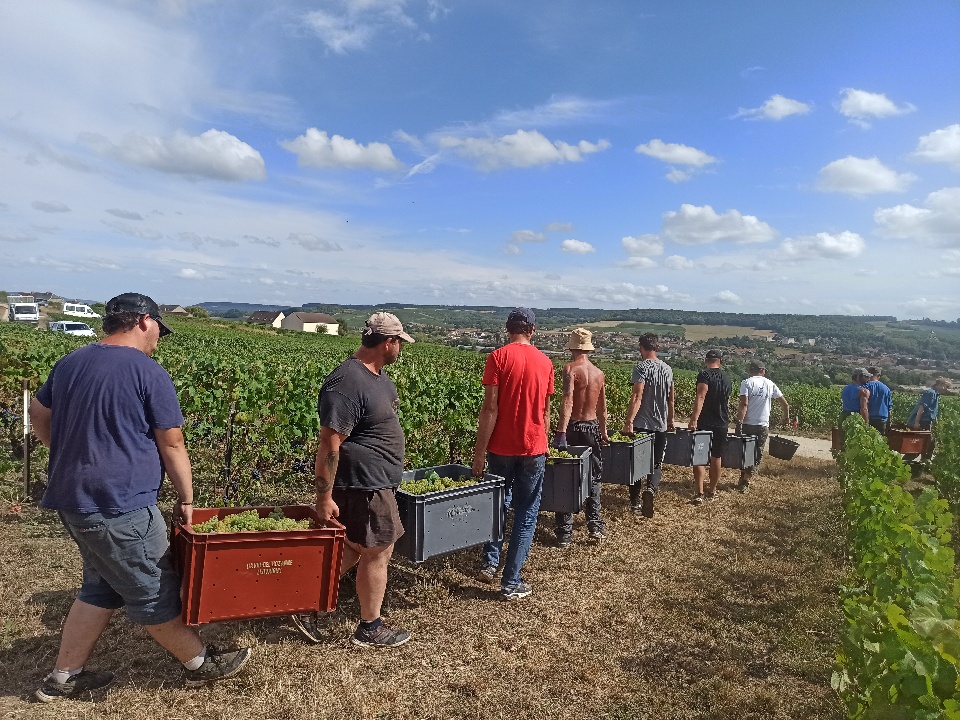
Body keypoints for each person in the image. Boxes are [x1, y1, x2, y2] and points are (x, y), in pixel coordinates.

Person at [28, 293, 251, 702]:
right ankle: (200, 663)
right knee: (151, 589)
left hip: (73, 501)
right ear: (144, 322)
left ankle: (63, 678)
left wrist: (65, 453)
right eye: (159, 332)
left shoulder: (71, 362)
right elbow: (172, 442)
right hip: (120, 504)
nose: (158, 341)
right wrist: (187, 497)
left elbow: (39, 413)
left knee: (100, 587)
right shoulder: (147, 373)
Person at [292, 312, 414, 648]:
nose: (401, 349)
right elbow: (329, 445)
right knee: (378, 549)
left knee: (353, 548)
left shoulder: (378, 377)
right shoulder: (346, 382)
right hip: (363, 483)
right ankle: (370, 628)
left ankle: (301, 600)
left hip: (377, 481)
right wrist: (323, 496)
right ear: (388, 342)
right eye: (399, 343)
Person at [472, 308, 554, 600]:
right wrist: (545, 444)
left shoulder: (497, 358)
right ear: (532, 330)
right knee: (527, 513)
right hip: (534, 447)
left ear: (508, 329)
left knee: (497, 504)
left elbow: (490, 408)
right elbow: (545, 413)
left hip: (499, 447)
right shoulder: (545, 363)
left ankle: (490, 561)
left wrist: (479, 451)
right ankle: (511, 580)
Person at [552, 328, 607, 546]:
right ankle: (594, 526)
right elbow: (602, 409)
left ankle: (565, 533)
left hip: (574, 426)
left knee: (564, 475)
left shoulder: (570, 369)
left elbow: (567, 401)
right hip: (592, 427)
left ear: (573, 347)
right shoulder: (599, 373)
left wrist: (561, 431)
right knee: (593, 476)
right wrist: (603, 431)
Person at [621, 332, 675, 517]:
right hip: (660, 425)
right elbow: (670, 399)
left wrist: (629, 421)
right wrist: (670, 420)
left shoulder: (641, 368)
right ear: (657, 347)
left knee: (636, 465)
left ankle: (635, 504)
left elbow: (637, 395)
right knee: (656, 463)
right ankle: (651, 489)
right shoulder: (668, 369)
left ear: (641, 348)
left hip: (642, 423)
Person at [734, 361, 790, 493]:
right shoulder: (770, 384)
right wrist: (785, 417)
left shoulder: (746, 382)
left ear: (751, 370)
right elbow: (785, 404)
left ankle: (744, 479)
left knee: (746, 451)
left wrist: (739, 422)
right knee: (757, 453)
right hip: (762, 425)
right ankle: (746, 480)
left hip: (748, 423)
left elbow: (744, 404)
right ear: (762, 371)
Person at [687, 349, 732, 505]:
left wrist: (694, 419)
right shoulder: (727, 378)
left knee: (699, 456)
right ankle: (712, 491)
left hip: (705, 422)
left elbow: (701, 396)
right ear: (720, 361)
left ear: (706, 360)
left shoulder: (704, 375)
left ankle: (699, 493)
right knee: (716, 457)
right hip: (722, 423)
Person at [905, 378, 953, 462]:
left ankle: (923, 462)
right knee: (920, 445)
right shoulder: (930, 393)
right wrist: (916, 422)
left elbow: (931, 411)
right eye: (946, 386)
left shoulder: (935, 394)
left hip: (926, 421)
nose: (947, 389)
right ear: (940, 385)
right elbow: (921, 408)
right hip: (922, 422)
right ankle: (908, 463)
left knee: (927, 444)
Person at [865, 366, 892, 434]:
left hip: (868, 418)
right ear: (879, 376)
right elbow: (889, 407)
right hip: (882, 419)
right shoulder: (886, 389)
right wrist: (889, 422)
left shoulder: (865, 387)